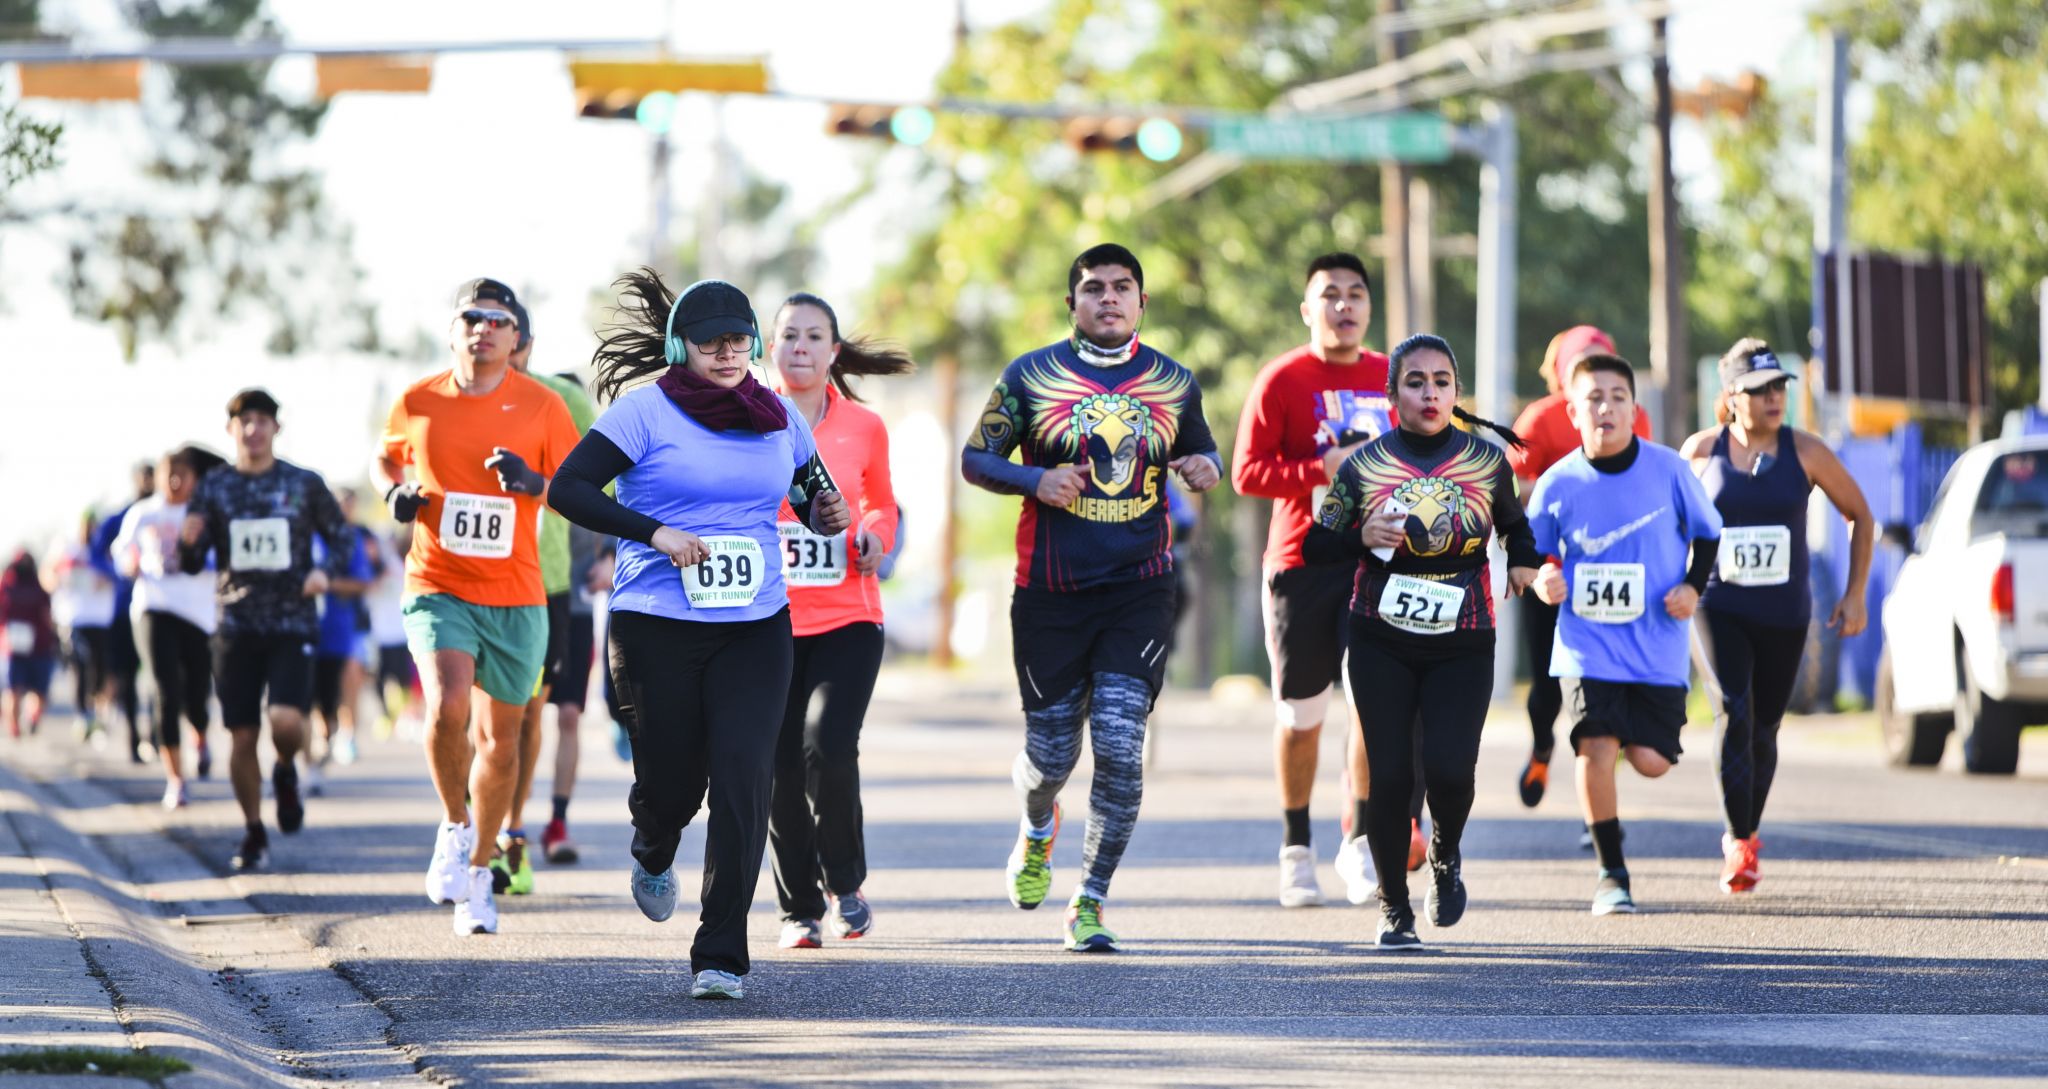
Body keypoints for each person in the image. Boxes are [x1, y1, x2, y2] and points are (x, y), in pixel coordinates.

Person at [546, 271, 851, 1000]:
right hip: (655, 624)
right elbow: (569, 488)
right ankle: (653, 843)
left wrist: (826, 514)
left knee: (745, 776)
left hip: (755, 624)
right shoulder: (644, 412)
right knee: (672, 781)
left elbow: (810, 492)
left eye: (739, 340)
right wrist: (654, 531)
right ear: (681, 345)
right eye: (712, 341)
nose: (727, 352)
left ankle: (720, 952)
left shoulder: (778, 415)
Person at [962, 243, 1222, 953]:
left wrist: (1205, 465)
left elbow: (1203, 453)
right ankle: (1037, 826)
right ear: (1071, 303)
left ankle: (1090, 898)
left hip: (1139, 587)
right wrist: (1033, 481)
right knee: (1050, 758)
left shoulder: (1173, 382)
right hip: (1049, 593)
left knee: (1118, 744)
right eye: (1094, 288)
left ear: (1142, 302)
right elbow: (975, 458)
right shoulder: (1029, 376)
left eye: (1123, 287)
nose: (1109, 298)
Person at [1304, 334, 1541, 948]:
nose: (1430, 392)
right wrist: (1361, 534)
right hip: (1380, 635)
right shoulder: (1363, 465)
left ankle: (1445, 852)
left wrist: (1522, 562)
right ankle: (1393, 908)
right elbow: (1317, 545)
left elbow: (1517, 529)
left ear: (1456, 393)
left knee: (1450, 769)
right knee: (1387, 777)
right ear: (1393, 395)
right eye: (1416, 382)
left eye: (1441, 381)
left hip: (1463, 636)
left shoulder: (1487, 462)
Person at [377, 278, 579, 936]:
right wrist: (395, 494)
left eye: (498, 320)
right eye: (472, 316)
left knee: (501, 740)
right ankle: (455, 827)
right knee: (448, 705)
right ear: (454, 327)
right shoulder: (418, 400)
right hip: (439, 581)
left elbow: (577, 489)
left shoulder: (545, 406)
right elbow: (387, 458)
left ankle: (480, 876)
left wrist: (534, 483)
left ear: (517, 338)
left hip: (519, 596)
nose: (483, 328)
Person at [1232, 251, 1405, 909]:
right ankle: (1296, 849)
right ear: (1309, 310)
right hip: (1303, 565)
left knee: (1373, 706)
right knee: (1303, 716)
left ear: (1369, 306)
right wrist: (1320, 465)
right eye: (1330, 294)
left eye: (1356, 293)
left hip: (1382, 561)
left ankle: (1358, 841)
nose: (1344, 305)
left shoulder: (1394, 375)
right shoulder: (1282, 379)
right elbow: (1246, 472)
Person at [1527, 353, 1722, 915]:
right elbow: (1531, 550)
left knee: (1651, 759)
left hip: (1658, 644)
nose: (1606, 407)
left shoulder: (1668, 470)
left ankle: (1627, 773)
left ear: (1634, 408)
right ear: (1572, 411)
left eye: (1617, 396)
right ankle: (1612, 873)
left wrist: (1692, 585)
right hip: (1587, 645)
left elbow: (1708, 534)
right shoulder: (1558, 482)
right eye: (1593, 398)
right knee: (1594, 744)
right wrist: (1542, 576)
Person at [1682, 338, 1872, 893]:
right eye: (1759, 389)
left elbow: (1860, 513)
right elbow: (1666, 521)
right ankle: (1738, 844)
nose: (1773, 398)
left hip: (1786, 613)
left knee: (1764, 725)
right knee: (1733, 710)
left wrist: (1856, 593)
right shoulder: (1700, 451)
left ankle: (1749, 830)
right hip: (1718, 605)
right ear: (1731, 398)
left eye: (1780, 387)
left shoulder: (1806, 451)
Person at [764, 291, 912, 949]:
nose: (799, 346)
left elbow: (882, 505)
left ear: (833, 351)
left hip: (849, 616)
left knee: (827, 742)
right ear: (771, 346)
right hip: (765, 620)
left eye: (813, 336)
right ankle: (799, 908)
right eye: (788, 335)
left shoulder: (865, 427)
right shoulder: (747, 419)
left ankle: (845, 879)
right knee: (777, 767)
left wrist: (874, 534)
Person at [180, 392, 354, 871]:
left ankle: (284, 770)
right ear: (231, 430)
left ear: (276, 428)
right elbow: (192, 563)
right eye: (243, 421)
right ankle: (254, 830)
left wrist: (324, 573)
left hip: (291, 621)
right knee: (239, 736)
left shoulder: (302, 483)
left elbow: (342, 538)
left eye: (262, 421)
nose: (252, 429)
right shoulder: (214, 487)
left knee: (286, 721)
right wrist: (187, 541)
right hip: (235, 624)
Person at [1506, 326, 1654, 810]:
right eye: (1582, 365)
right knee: (1547, 686)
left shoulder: (1639, 418)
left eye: (1602, 362)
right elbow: (1506, 490)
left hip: (1614, 576)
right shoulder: (1540, 420)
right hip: (1552, 575)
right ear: (1564, 380)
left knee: (1606, 691)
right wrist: (1562, 494)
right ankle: (1542, 746)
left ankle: (1600, 801)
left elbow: (1644, 481)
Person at [491, 297, 600, 890]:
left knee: (552, 713)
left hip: (555, 577)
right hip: (475, 581)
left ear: (525, 344)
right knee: (488, 714)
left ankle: (534, 830)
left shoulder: (564, 399)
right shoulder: (453, 401)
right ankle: (482, 829)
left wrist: (607, 552)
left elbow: (606, 473)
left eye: (509, 334)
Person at [115, 446, 223, 809]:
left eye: (183, 474)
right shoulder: (144, 513)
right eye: (169, 474)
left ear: (195, 479)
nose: (176, 481)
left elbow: (223, 556)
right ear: (159, 477)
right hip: (153, 606)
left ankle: (200, 736)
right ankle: (176, 779)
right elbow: (120, 551)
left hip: (197, 612)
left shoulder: (205, 514)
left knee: (196, 691)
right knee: (164, 688)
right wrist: (129, 561)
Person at [308, 487, 374, 787]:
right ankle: (306, 768)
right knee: (299, 701)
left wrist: (324, 583)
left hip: (338, 630)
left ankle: (336, 738)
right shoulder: (304, 534)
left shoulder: (351, 539)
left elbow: (363, 582)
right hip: (300, 630)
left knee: (335, 693)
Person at [94, 463, 154, 762]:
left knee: (160, 678)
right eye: (143, 477)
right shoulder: (123, 517)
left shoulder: (166, 513)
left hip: (159, 611)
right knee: (127, 678)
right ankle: (133, 737)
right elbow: (97, 550)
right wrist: (116, 574)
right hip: (123, 610)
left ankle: (156, 736)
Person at [46, 513, 116, 741]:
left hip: (101, 618)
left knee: (100, 669)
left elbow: (120, 572)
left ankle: (95, 713)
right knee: (80, 664)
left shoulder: (105, 546)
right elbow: (47, 574)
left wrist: (107, 579)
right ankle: (82, 715)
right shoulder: (67, 546)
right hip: (73, 617)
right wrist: (58, 580)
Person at [2, 551, 59, 740]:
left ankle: (18, 724)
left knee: (15, 690)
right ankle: (26, 720)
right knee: (31, 690)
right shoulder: (34, 588)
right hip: (35, 647)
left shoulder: (7, 587)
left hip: (22, 647)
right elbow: (47, 615)